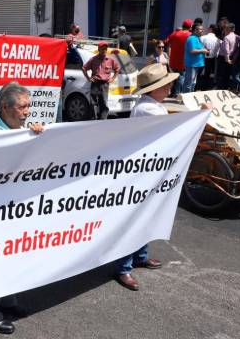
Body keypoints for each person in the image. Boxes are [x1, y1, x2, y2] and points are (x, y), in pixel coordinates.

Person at [0, 82, 43, 335]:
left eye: (29, 106)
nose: (28, 111)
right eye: (23, 107)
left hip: (16, 207)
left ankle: (7, 299)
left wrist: (34, 136)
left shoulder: (19, 129)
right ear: (6, 107)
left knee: (14, 255)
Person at [114, 63, 178, 291]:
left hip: (152, 169)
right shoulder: (147, 109)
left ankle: (140, 255)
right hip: (143, 171)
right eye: (165, 84)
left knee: (147, 215)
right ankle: (124, 268)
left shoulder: (153, 105)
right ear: (153, 89)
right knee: (136, 218)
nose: (169, 87)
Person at [82, 42, 119, 120]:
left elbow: (117, 69)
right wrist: (88, 78)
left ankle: (103, 121)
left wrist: (112, 78)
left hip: (105, 84)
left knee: (104, 104)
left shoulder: (110, 60)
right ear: (98, 49)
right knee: (93, 103)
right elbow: (84, 68)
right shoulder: (93, 59)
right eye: (102, 49)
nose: (104, 50)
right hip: (95, 83)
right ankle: (93, 120)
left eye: (105, 49)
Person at [165, 19, 193, 95]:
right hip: (183, 61)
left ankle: (171, 93)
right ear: (190, 26)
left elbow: (167, 42)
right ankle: (177, 93)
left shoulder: (175, 33)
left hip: (173, 60)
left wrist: (169, 54)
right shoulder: (190, 35)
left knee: (173, 77)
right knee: (181, 77)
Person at [183, 24, 208, 93]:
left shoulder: (197, 38)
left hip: (196, 64)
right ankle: (186, 98)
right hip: (192, 64)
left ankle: (190, 97)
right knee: (189, 83)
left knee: (193, 83)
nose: (202, 31)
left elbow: (197, 49)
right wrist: (203, 50)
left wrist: (204, 49)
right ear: (195, 30)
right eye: (201, 29)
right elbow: (192, 51)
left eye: (202, 29)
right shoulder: (192, 38)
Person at [197, 24, 220, 90]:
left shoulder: (202, 37)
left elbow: (198, 48)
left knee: (198, 73)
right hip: (211, 59)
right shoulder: (218, 40)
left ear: (210, 29)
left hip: (201, 57)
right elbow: (217, 52)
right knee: (207, 74)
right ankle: (205, 89)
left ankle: (196, 87)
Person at [216, 23, 237, 90]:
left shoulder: (227, 37)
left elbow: (226, 50)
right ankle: (225, 88)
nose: (224, 29)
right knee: (227, 75)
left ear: (229, 29)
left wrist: (227, 59)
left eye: (226, 28)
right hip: (232, 57)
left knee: (221, 74)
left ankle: (220, 89)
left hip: (224, 58)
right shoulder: (237, 36)